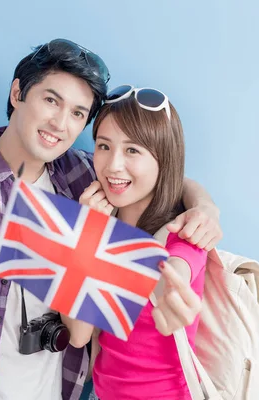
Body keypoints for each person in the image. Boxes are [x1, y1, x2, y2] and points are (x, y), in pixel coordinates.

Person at [0, 39, 222, 400]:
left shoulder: (81, 175)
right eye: (51, 100)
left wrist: (204, 205)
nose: (60, 123)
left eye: (77, 113)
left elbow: (152, 172)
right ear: (17, 93)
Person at [67, 84, 208, 400]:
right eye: (104, 146)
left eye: (132, 150)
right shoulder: (101, 226)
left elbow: (175, 271)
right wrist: (88, 236)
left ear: (163, 159)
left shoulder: (183, 233)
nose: (113, 165)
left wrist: (173, 290)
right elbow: (77, 335)